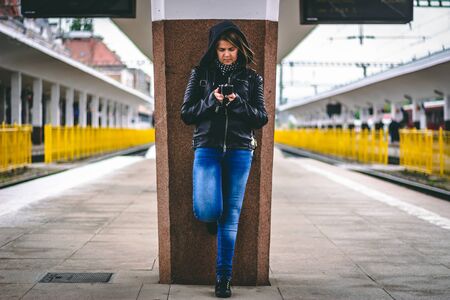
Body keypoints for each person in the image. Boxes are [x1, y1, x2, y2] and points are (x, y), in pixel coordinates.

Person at [180, 20, 268, 298]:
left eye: (231, 49)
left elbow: (261, 118)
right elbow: (187, 114)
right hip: (207, 148)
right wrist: (211, 100)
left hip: (241, 151)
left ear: (240, 50)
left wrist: (238, 102)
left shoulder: (253, 79)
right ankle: (210, 214)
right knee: (209, 210)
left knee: (230, 218)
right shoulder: (201, 74)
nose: (227, 54)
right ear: (214, 50)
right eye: (221, 49)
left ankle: (223, 278)